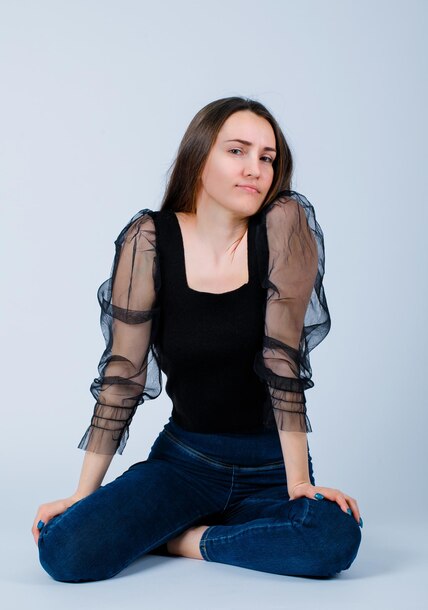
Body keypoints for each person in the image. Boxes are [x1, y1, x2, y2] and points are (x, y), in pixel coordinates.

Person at [32, 96, 362, 582]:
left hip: (270, 468)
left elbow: (283, 362)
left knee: (332, 538)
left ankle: (177, 537)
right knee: (64, 549)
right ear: (199, 156)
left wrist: (299, 483)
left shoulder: (285, 226)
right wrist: (85, 497)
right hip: (185, 464)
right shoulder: (149, 238)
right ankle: (207, 526)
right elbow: (123, 377)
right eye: (238, 151)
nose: (255, 169)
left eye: (267, 158)